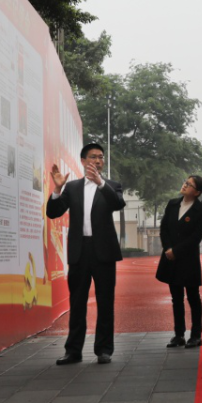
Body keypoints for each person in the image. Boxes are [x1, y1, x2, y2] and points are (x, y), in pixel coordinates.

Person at [47, 142, 126, 365]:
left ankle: (104, 350)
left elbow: (117, 204)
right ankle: (73, 351)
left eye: (101, 157)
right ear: (83, 161)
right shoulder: (71, 187)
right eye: (93, 157)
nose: (98, 160)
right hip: (79, 251)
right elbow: (53, 212)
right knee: (77, 303)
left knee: (105, 302)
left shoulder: (112, 186)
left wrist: (100, 183)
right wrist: (57, 190)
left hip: (104, 252)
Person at [156, 176, 202, 348]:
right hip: (170, 258)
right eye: (185, 182)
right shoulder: (173, 204)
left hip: (188, 260)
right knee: (176, 298)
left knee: (193, 297)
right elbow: (164, 229)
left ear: (197, 192)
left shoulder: (201, 211)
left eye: (189, 184)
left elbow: (195, 238)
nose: (184, 185)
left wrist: (176, 251)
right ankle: (179, 334)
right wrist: (168, 248)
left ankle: (196, 335)